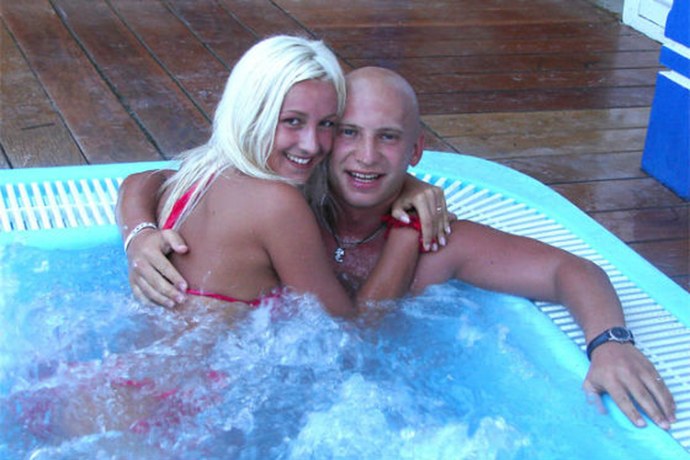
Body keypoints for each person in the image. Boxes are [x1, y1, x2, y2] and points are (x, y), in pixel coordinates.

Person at [118, 67, 676, 431]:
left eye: (387, 137)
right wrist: (139, 233)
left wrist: (610, 344)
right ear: (326, 138)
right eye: (349, 132)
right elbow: (156, 178)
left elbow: (568, 270)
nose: (366, 156)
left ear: (416, 149)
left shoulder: (438, 242)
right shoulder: (290, 202)